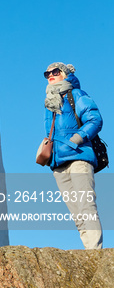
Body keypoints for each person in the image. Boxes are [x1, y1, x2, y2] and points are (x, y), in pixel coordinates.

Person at [44, 62, 103, 249]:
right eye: (47, 73)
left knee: (86, 205)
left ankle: (96, 253)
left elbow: (95, 119)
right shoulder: (50, 102)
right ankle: (88, 251)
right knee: (76, 212)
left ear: (64, 73)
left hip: (79, 157)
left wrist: (76, 139)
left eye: (55, 71)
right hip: (59, 163)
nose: (50, 75)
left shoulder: (75, 94)